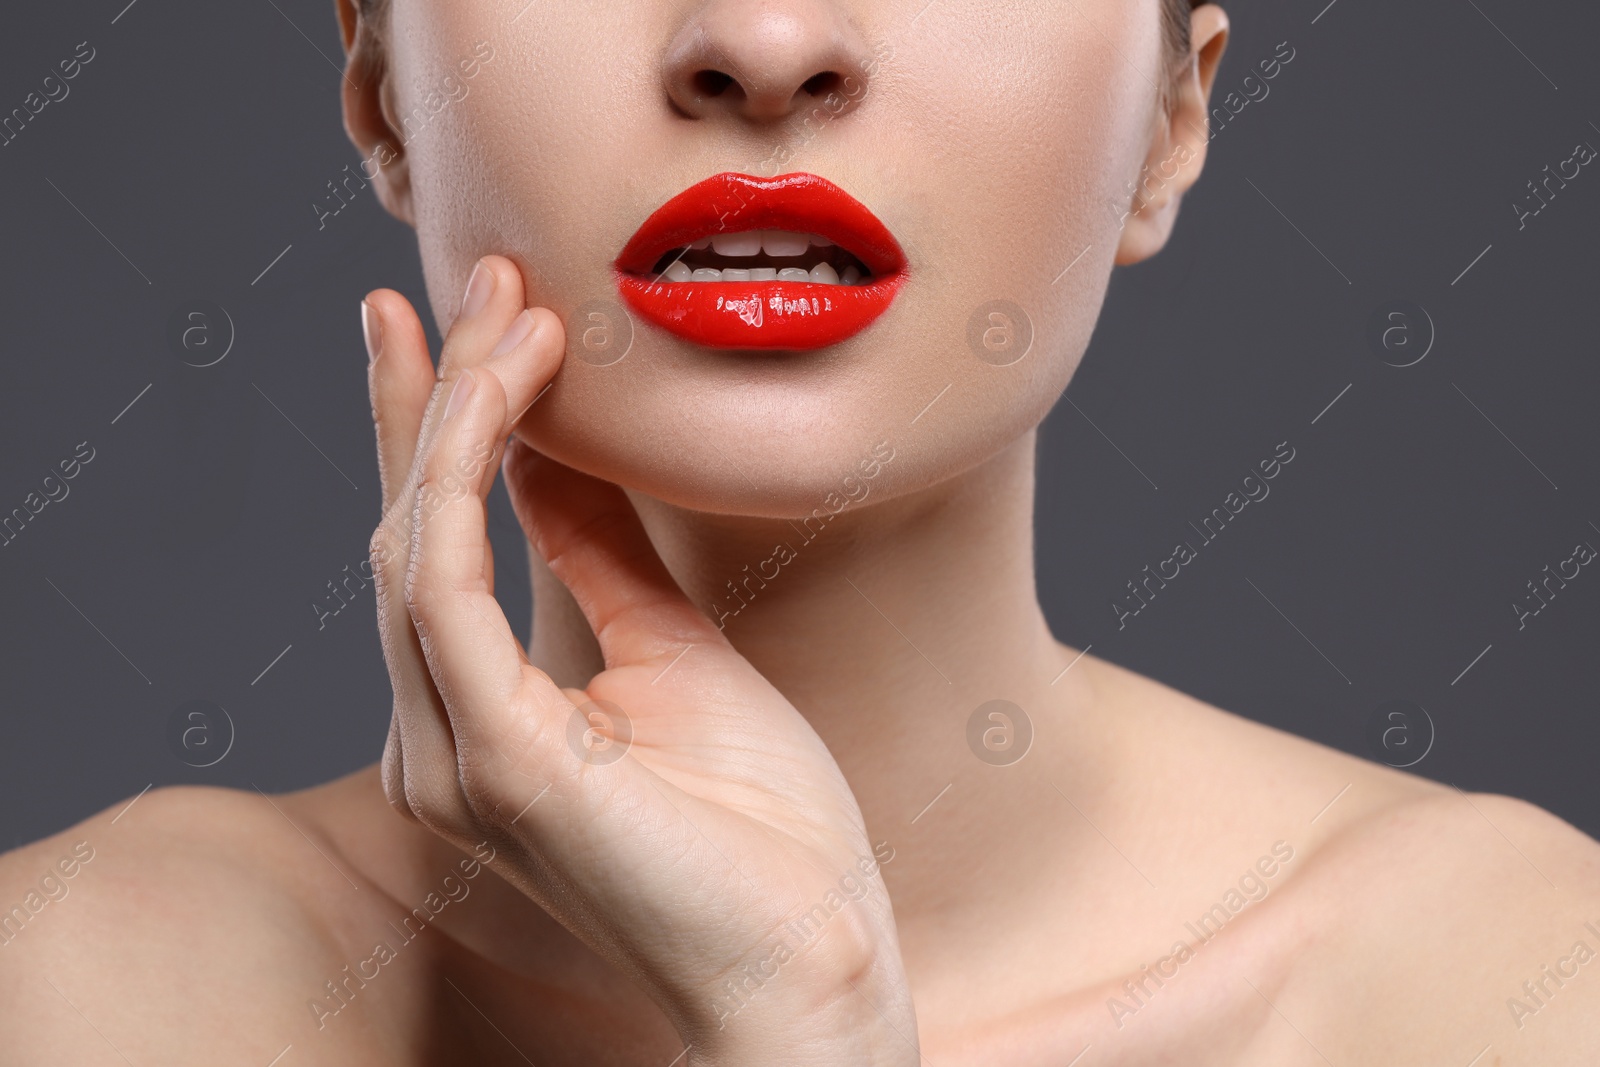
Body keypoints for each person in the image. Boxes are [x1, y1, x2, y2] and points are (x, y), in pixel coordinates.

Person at [3, 1, 1598, 1063]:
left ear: (1173, 106)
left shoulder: (1520, 995)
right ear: (382, 88)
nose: (765, 45)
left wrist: (813, 1024)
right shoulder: (79, 999)